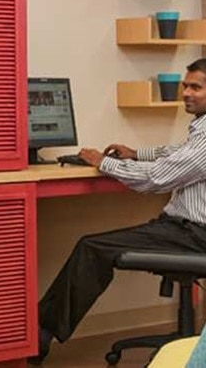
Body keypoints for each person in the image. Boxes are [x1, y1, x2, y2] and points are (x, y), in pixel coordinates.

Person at [30, 57, 206, 364]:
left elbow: (156, 179)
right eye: (185, 86)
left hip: (194, 235)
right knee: (97, 245)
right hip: (184, 230)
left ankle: (39, 335)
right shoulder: (200, 129)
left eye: (196, 87)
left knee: (92, 248)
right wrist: (136, 153)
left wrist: (103, 162)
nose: (186, 93)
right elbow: (179, 153)